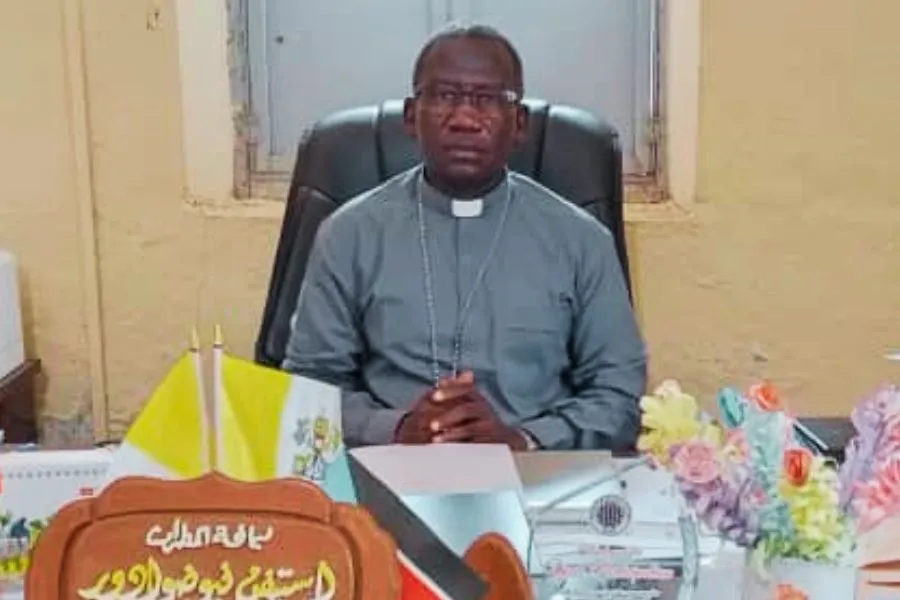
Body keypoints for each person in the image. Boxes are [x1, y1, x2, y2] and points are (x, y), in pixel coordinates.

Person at [283, 24, 647, 451]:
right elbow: (308, 386)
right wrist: (395, 428)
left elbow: (619, 394)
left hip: (536, 473)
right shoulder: (349, 233)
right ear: (410, 117)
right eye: (444, 96)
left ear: (520, 123)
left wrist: (523, 439)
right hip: (389, 467)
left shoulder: (581, 240)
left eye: (488, 99)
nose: (464, 120)